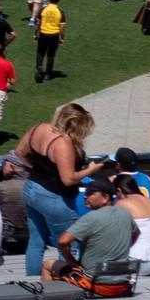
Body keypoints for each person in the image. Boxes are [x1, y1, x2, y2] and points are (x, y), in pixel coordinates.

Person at [16, 103, 100, 273]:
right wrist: (90, 170)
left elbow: (19, 152)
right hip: (55, 197)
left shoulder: (38, 128)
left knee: (36, 241)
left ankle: (32, 282)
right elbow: (68, 179)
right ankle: (64, 286)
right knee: (67, 244)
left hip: (32, 188)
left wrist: (38, 169)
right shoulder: (63, 144)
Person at [43, 179, 136, 297]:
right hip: (122, 285)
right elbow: (136, 233)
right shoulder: (125, 214)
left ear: (105, 198)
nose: (85, 197)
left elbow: (62, 241)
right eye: (86, 193)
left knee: (48, 264)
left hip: (95, 284)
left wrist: (71, 261)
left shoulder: (91, 218)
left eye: (91, 193)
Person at [31, 0, 66, 83]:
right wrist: (62, 38)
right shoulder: (60, 11)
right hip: (54, 35)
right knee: (51, 55)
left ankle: (39, 67)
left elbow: (38, 23)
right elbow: (62, 28)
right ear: (58, 1)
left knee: (40, 53)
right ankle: (48, 74)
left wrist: (35, 34)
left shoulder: (43, 9)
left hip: (43, 33)